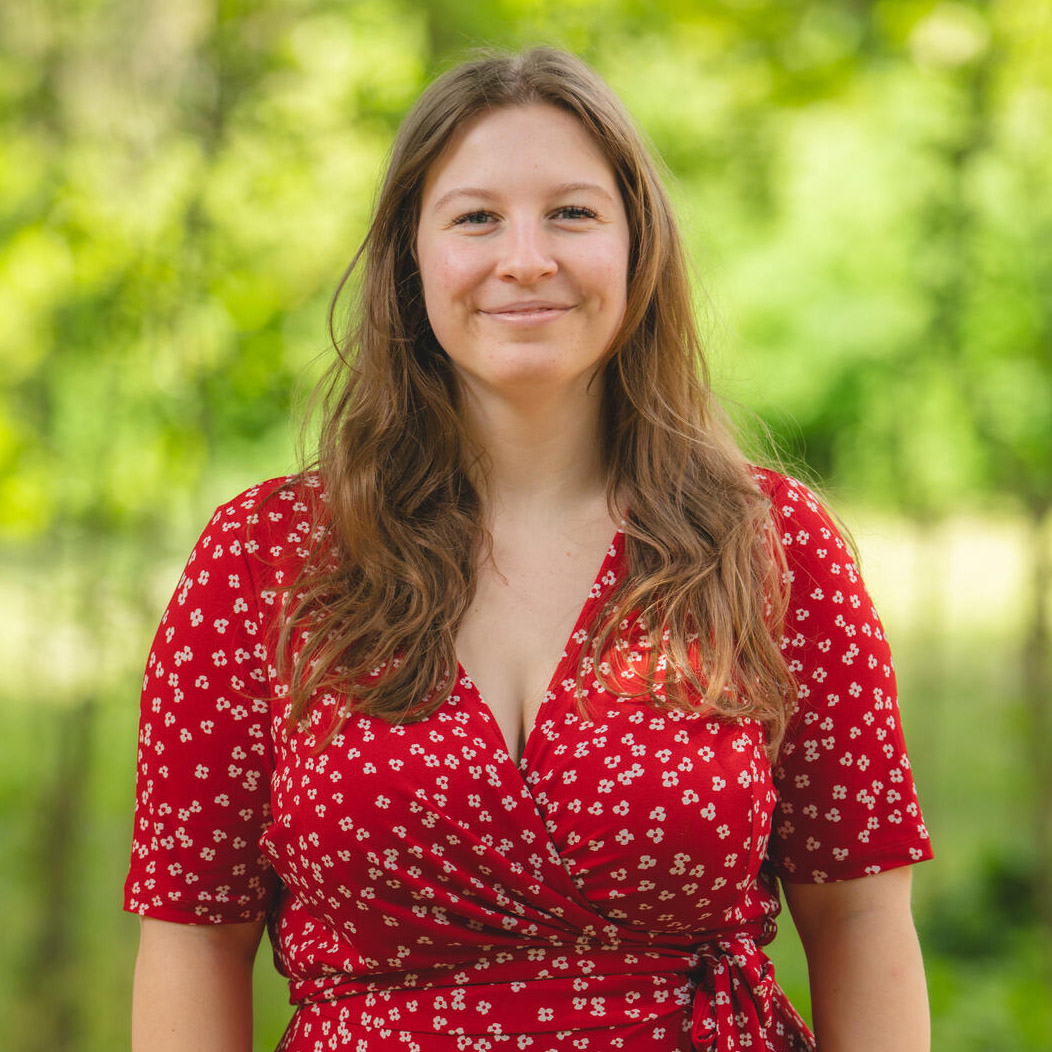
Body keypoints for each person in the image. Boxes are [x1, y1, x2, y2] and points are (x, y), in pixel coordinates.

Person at [125, 46, 933, 1052]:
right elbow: (193, 938)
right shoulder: (266, 560)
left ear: (638, 245)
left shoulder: (771, 547)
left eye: (571, 212)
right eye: (474, 217)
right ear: (408, 257)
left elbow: (859, 917)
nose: (524, 258)